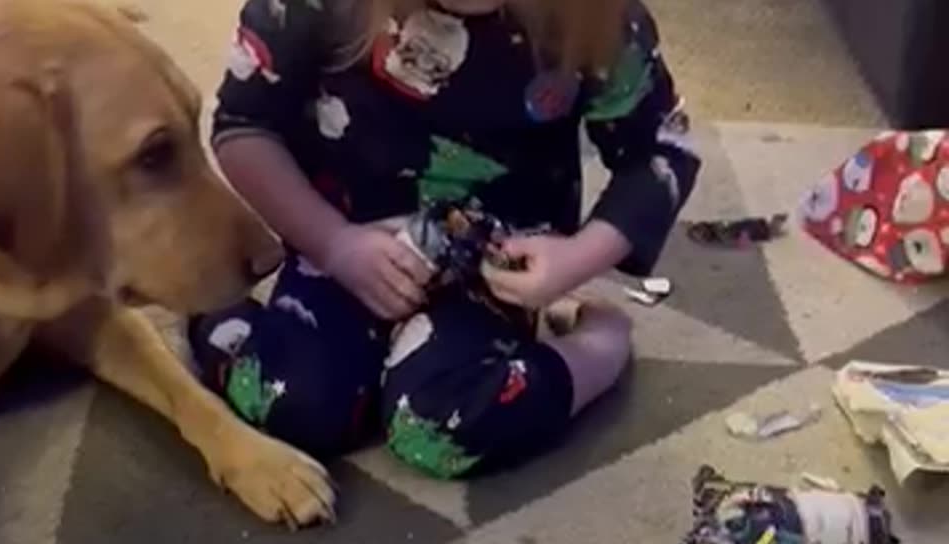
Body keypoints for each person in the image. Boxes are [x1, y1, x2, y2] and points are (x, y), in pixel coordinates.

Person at [188, 0, 701, 479]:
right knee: (292, 403)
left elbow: (661, 150)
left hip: (492, 273)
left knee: (440, 426)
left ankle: (595, 347)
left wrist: (575, 259)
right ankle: (212, 318)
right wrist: (334, 245)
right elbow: (243, 124)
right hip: (343, 249)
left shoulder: (593, 15)